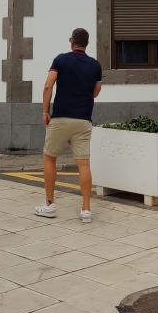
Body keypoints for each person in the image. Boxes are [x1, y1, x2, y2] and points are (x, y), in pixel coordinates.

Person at [37, 28, 102, 223]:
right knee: (84, 163)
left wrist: (45, 111)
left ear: (72, 41)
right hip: (83, 120)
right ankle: (86, 210)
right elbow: (96, 91)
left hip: (60, 117)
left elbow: (48, 86)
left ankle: (49, 205)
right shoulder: (95, 65)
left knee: (50, 158)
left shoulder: (60, 60)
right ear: (86, 44)